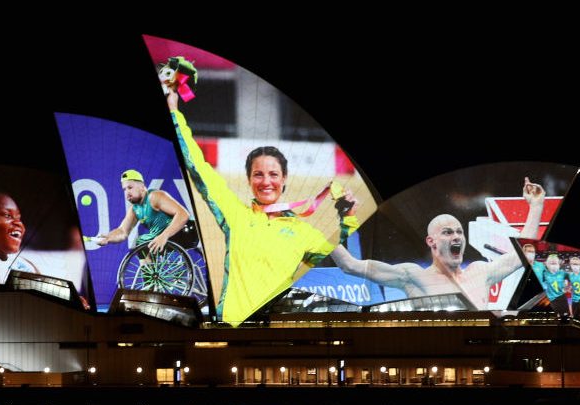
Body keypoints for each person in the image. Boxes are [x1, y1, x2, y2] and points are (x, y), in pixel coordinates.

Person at [167, 89, 361, 326]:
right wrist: (174, 112)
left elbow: (344, 263)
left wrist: (348, 218)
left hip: (276, 336)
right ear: (248, 180)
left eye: (273, 174)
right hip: (229, 330)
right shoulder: (234, 214)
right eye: (258, 174)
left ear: (285, 178)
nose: (266, 182)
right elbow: (198, 167)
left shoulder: (305, 233)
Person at [329, 178, 546, 310]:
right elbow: (350, 265)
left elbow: (524, 252)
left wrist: (536, 207)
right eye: (448, 232)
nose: (457, 236)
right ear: (430, 241)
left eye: (459, 232)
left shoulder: (481, 273)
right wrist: (317, 234)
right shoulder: (413, 277)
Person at [96, 169, 190, 254]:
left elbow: (183, 214)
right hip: (164, 237)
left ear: (141, 186)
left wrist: (164, 236)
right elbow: (122, 231)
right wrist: (108, 238)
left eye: (130, 187)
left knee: (145, 241)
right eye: (124, 189)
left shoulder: (154, 197)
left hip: (185, 231)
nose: (127, 192)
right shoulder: (134, 209)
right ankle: (149, 273)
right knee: (141, 242)